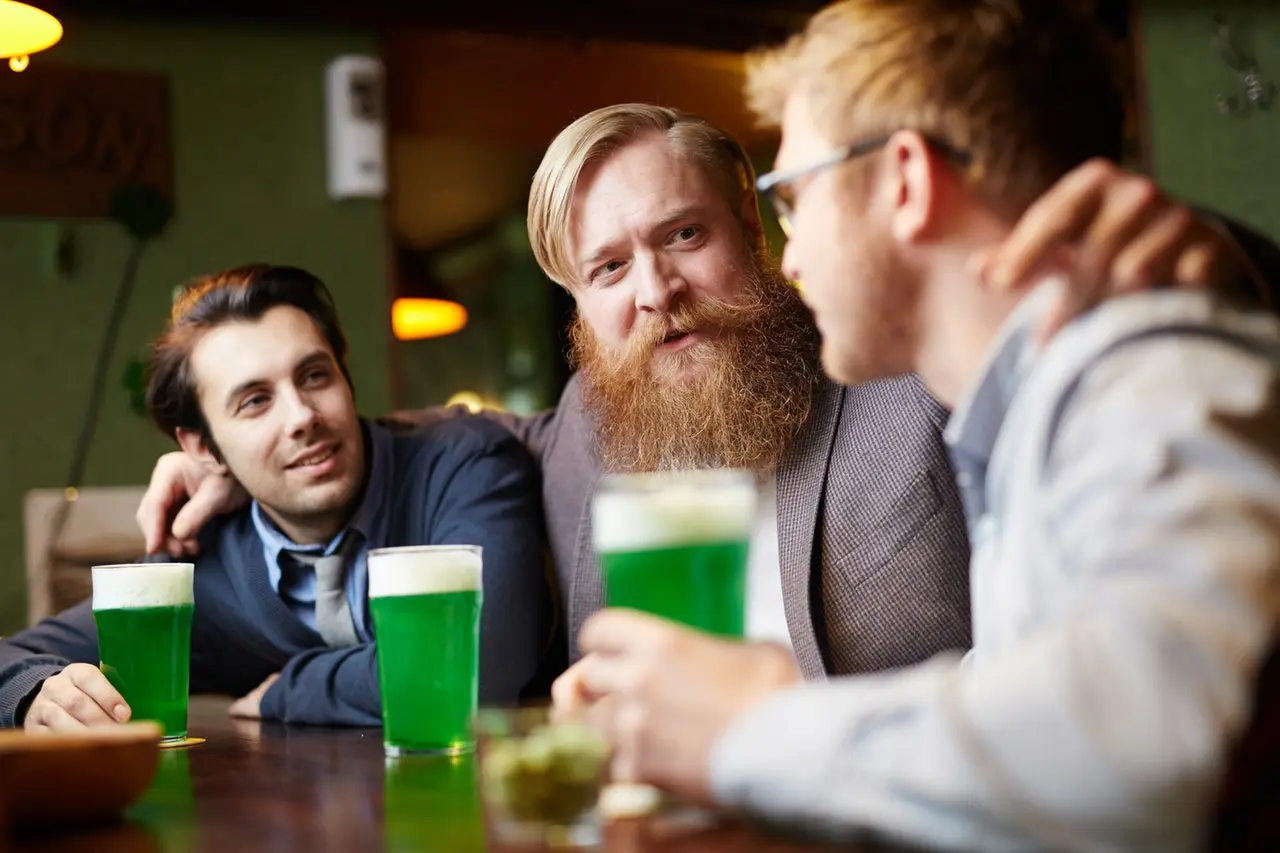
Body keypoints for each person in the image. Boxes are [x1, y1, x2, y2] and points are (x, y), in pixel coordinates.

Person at [135, 104, 1280, 692]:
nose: (658, 292)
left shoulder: (907, 363)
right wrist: (227, 461)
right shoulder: (581, 429)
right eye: (610, 269)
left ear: (758, 232)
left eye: (682, 236)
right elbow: (454, 432)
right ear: (582, 311)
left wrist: (1202, 257)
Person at [564, 3, 1280, 851]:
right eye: (607, 267)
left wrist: (753, 725)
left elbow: (1159, 728)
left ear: (904, 180)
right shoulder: (1021, 417)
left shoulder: (1143, 369)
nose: (787, 259)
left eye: (793, 198)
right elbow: (1030, 694)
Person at [0, 264, 551, 731]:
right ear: (201, 448)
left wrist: (293, 688)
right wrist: (35, 693)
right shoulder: (204, 564)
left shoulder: (462, 463)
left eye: (314, 376)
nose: (302, 417)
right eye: (255, 401)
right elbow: (10, 656)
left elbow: (477, 664)